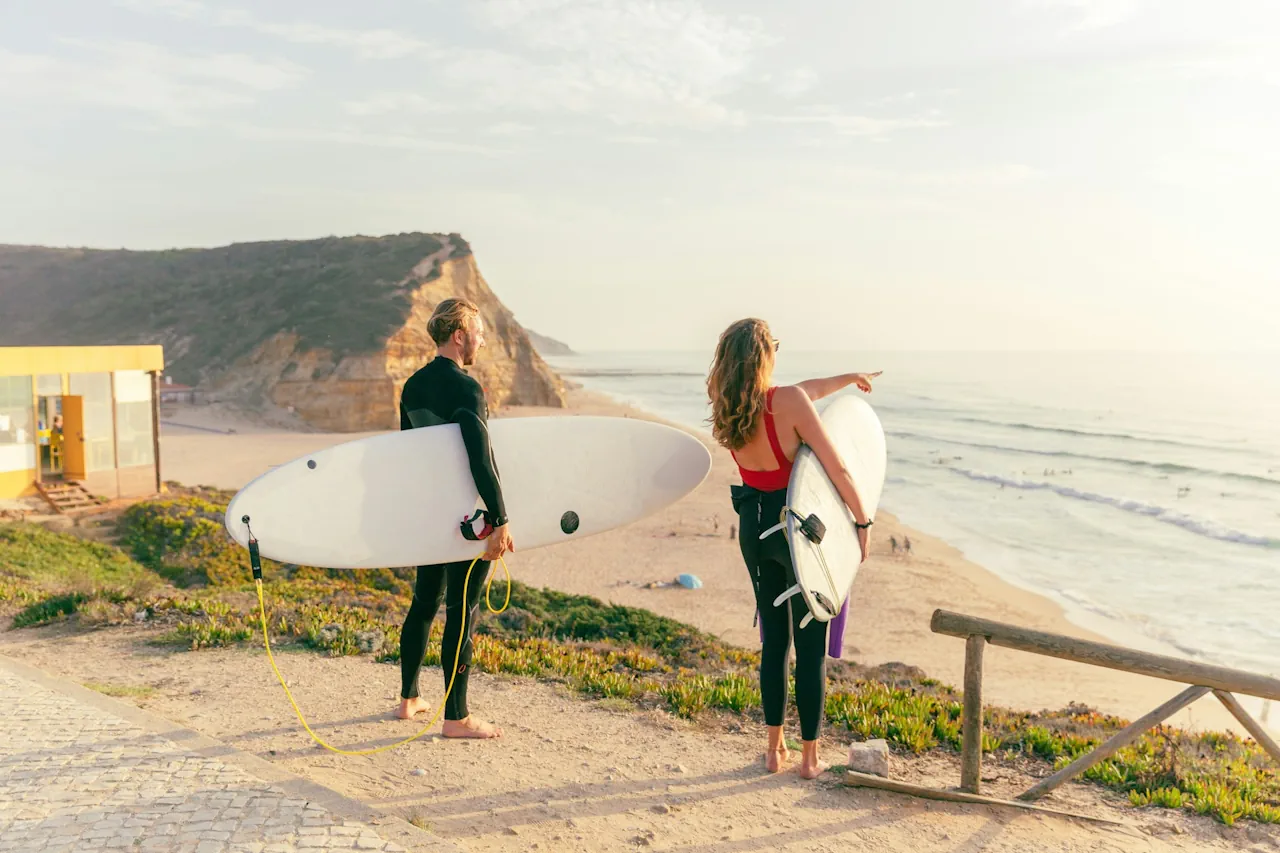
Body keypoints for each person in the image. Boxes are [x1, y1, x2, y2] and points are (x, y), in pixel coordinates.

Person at [707, 318, 879, 779]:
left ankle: (772, 750)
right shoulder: (788, 402)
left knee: (774, 643)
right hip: (797, 533)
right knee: (810, 646)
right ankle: (809, 759)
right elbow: (838, 469)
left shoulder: (728, 404)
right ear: (765, 355)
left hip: (755, 529)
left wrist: (848, 378)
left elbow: (807, 391)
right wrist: (862, 520)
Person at [394, 298, 514, 739]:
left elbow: (408, 455)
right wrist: (500, 519)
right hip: (465, 518)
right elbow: (482, 461)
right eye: (478, 333)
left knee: (424, 603)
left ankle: (409, 699)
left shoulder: (412, 386)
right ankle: (456, 717)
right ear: (459, 335)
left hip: (430, 513)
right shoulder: (467, 390)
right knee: (463, 610)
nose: (482, 341)